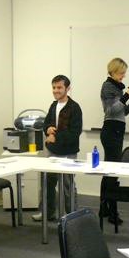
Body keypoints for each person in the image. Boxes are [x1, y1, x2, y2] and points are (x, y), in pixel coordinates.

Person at [31, 75, 82, 222]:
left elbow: (75, 133)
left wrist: (55, 136)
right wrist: (47, 129)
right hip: (52, 151)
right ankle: (47, 213)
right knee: (47, 183)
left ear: (67, 88)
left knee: (67, 186)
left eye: (59, 87)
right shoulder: (53, 105)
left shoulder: (75, 107)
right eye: (54, 87)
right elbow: (46, 123)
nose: (56, 90)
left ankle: (72, 217)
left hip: (68, 153)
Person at [99, 57, 129, 225]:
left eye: (124, 73)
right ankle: (111, 212)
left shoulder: (117, 88)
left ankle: (104, 208)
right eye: (121, 73)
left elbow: (123, 112)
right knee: (112, 172)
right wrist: (126, 96)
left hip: (117, 130)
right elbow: (111, 110)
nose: (124, 76)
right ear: (113, 71)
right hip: (111, 131)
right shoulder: (108, 87)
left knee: (110, 172)